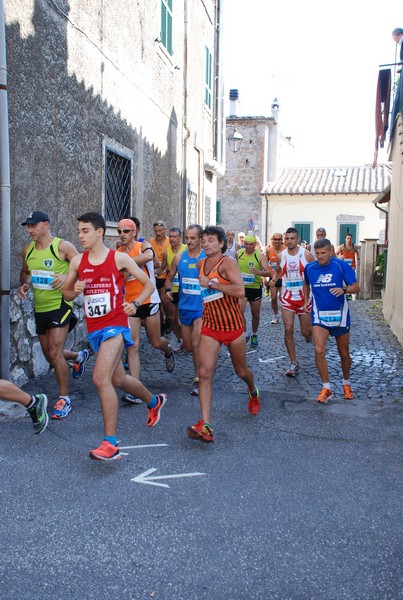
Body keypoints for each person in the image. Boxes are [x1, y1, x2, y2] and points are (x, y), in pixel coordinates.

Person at [63, 212, 167, 461]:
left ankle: (110, 444)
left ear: (100, 232)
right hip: (95, 329)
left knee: (100, 379)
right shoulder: (78, 262)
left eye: (85, 230)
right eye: (78, 231)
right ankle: (154, 401)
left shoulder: (119, 258)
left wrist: (136, 303)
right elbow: (67, 294)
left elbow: (149, 284)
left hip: (116, 326)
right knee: (118, 379)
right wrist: (73, 289)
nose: (80, 235)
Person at [187, 226, 260, 444]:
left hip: (232, 327)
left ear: (221, 244)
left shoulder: (228, 263)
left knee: (241, 371)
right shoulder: (200, 264)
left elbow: (240, 291)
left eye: (211, 240)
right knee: (204, 373)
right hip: (210, 326)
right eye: (204, 240)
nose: (206, 243)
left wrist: (211, 283)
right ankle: (206, 424)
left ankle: (252, 389)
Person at [18, 211, 90, 420]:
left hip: (61, 304)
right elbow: (25, 272)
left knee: (54, 352)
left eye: (33, 225)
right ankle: (78, 356)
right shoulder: (27, 250)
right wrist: (24, 285)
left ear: (45, 225)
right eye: (27, 226)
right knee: (50, 355)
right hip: (40, 308)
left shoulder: (61, 246)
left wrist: (67, 275)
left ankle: (64, 400)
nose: (30, 230)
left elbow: (84, 266)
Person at [117, 218, 175, 405]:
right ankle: (135, 389)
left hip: (149, 300)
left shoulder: (143, 245)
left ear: (134, 232)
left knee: (155, 341)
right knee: (132, 346)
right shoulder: (117, 252)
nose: (122, 235)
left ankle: (168, 350)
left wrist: (126, 263)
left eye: (126, 231)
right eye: (119, 231)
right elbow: (120, 276)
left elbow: (148, 257)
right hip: (131, 303)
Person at [303, 238, 360, 403]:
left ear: (330, 252)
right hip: (319, 316)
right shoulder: (310, 268)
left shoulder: (340, 266)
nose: (320, 256)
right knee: (319, 350)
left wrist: (343, 289)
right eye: (317, 253)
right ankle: (326, 387)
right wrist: (307, 298)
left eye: (323, 253)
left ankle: (346, 383)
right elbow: (306, 283)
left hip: (340, 316)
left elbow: (356, 287)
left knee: (344, 353)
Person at [164, 224, 205, 396]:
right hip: (184, 307)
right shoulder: (179, 258)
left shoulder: (206, 257)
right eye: (187, 238)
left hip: (202, 308)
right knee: (188, 346)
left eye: (193, 238)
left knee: (196, 343)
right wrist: (167, 290)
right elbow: (169, 277)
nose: (189, 241)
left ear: (201, 239)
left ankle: (199, 378)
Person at [271, 227, 315, 377]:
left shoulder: (306, 255)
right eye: (287, 238)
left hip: (304, 299)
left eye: (292, 238)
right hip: (287, 298)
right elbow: (277, 270)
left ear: (297, 239)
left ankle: (309, 336)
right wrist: (274, 279)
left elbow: (316, 271)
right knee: (288, 328)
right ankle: (293, 363)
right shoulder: (280, 256)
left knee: (305, 331)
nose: (289, 241)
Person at [236, 234, 271, 348]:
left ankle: (254, 334)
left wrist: (259, 272)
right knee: (239, 312)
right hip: (242, 288)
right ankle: (245, 333)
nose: (248, 246)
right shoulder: (239, 253)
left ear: (255, 244)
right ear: (243, 244)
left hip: (255, 287)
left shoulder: (260, 255)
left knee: (255, 314)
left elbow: (269, 272)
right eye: (246, 244)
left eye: (251, 244)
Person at [159, 227, 186, 343]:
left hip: (185, 289)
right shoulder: (166, 252)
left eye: (175, 236)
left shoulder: (186, 250)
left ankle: (187, 339)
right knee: (173, 318)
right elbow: (162, 269)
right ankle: (181, 339)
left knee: (185, 317)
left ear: (180, 237)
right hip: (172, 289)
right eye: (170, 236)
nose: (172, 239)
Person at [150, 220, 170, 333]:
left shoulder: (169, 241)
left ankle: (168, 318)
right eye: (156, 231)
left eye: (160, 231)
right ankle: (161, 322)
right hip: (155, 275)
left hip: (166, 275)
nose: (158, 233)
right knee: (157, 301)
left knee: (164, 301)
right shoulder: (151, 242)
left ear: (164, 230)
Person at [264, 233, 286, 324]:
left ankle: (285, 315)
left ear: (282, 240)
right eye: (275, 239)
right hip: (273, 278)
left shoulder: (286, 249)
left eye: (279, 239)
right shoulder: (269, 250)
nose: (277, 241)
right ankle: (276, 315)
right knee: (273, 298)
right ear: (272, 240)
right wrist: (265, 278)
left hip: (283, 277)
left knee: (282, 298)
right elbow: (265, 265)